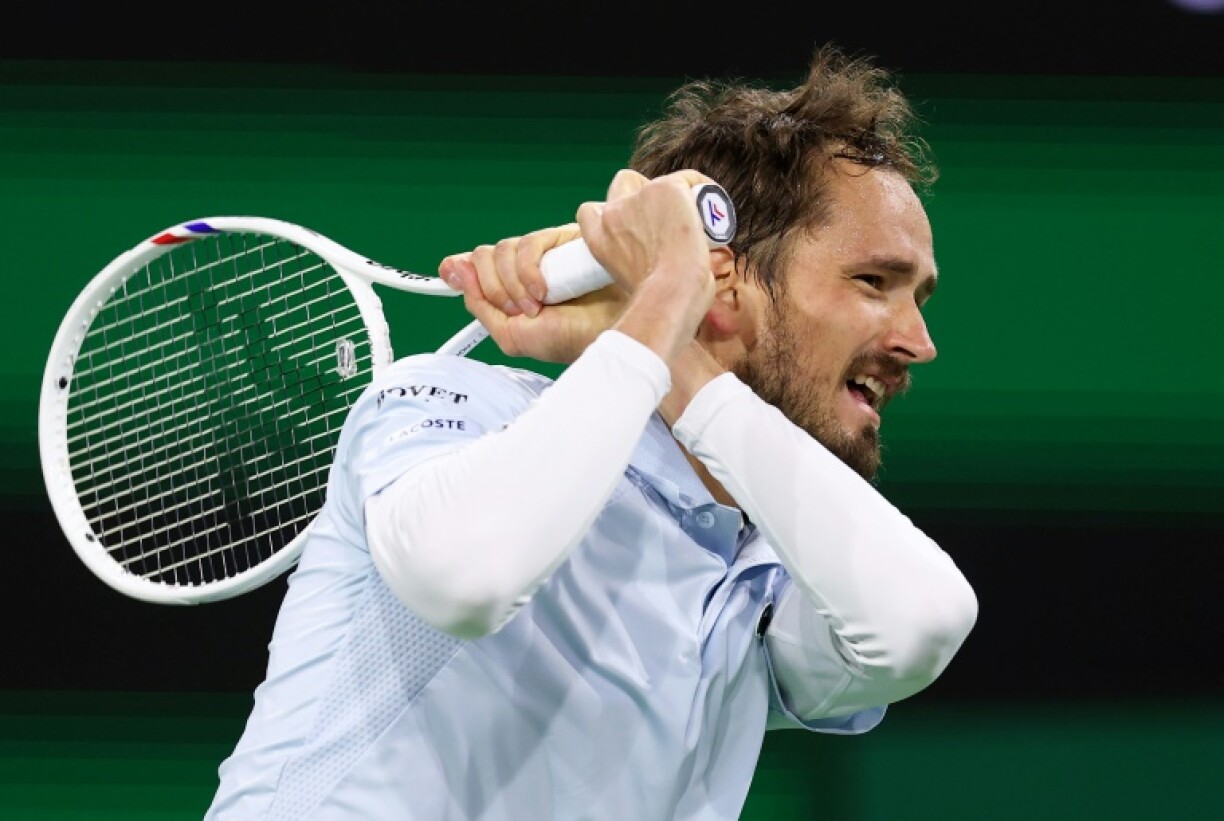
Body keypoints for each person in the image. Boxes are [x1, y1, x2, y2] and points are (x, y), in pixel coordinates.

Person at [206, 43, 978, 820]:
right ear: (726, 280)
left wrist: (667, 337)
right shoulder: (453, 405)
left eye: (920, 296)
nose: (919, 339)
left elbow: (921, 622)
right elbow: (465, 578)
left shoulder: (764, 573)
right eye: (873, 282)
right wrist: (662, 303)